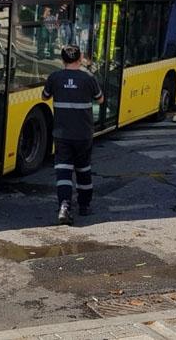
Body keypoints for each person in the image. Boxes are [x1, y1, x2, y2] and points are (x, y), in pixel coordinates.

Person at [41, 45, 104, 226]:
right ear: (81, 57)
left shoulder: (54, 77)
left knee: (63, 170)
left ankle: (64, 206)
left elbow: (45, 96)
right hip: (83, 134)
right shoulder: (88, 78)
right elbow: (100, 99)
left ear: (62, 59)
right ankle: (84, 206)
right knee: (83, 169)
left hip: (62, 133)